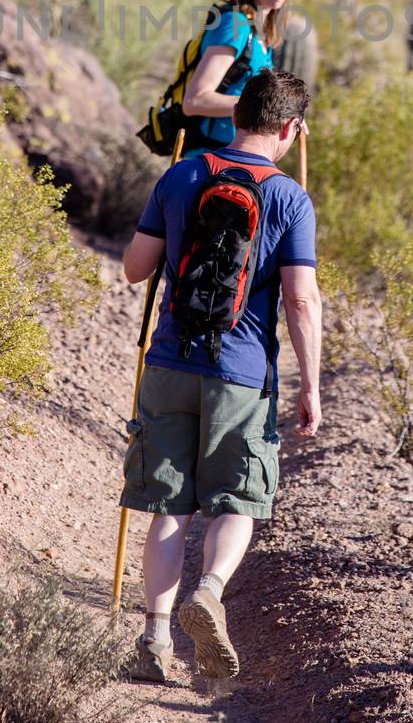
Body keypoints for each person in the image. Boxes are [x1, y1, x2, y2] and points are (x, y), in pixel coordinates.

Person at [119, 68, 322, 683]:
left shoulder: (182, 174)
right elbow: (302, 299)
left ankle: (154, 638)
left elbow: (134, 268)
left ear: (235, 117)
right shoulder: (289, 196)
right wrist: (310, 386)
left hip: (168, 364)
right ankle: (208, 590)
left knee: (168, 506)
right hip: (241, 373)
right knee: (237, 500)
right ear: (289, 128)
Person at [179, 0, 316, 158]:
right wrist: (270, 109)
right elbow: (195, 100)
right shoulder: (234, 25)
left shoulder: (261, 35)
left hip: (237, 162)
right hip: (211, 163)